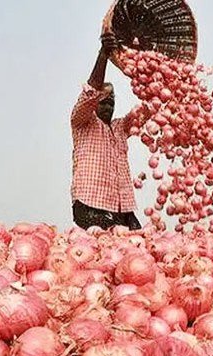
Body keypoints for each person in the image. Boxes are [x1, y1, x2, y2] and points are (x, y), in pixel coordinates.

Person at [69, 33, 142, 231]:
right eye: (104, 102)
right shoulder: (82, 121)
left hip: (122, 208)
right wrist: (103, 55)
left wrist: (161, 80)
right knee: (102, 253)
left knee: (135, 249)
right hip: (91, 204)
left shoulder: (120, 127)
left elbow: (147, 111)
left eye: (112, 102)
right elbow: (90, 92)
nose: (109, 106)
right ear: (94, 104)